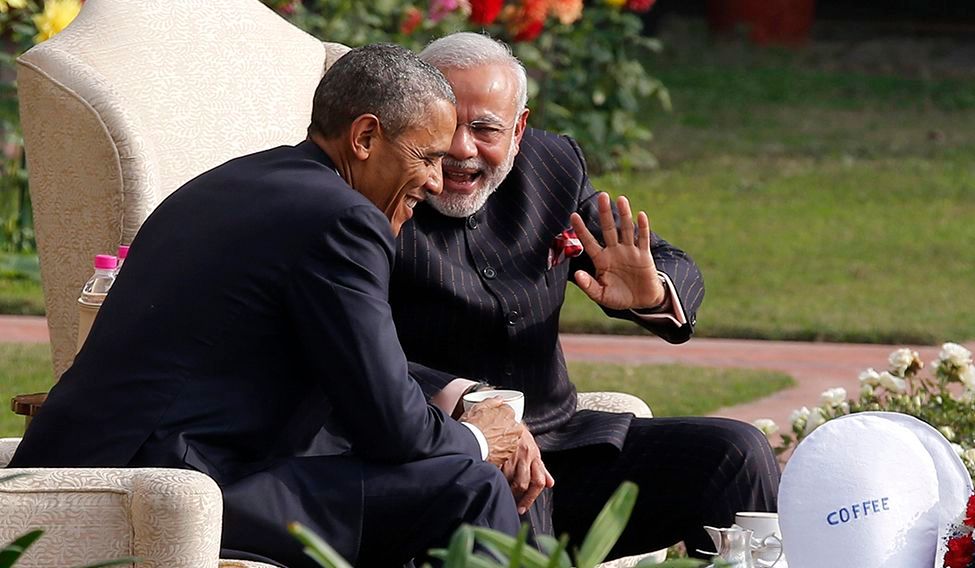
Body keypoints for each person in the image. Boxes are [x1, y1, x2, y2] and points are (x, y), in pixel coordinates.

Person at [8, 44, 523, 568]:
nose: (435, 181)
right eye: (428, 157)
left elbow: (356, 374)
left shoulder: (235, 182)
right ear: (365, 138)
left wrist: (453, 407)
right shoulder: (343, 218)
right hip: (176, 490)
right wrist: (478, 438)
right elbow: (392, 426)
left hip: (100, 465)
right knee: (470, 485)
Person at [390, 32, 780, 558]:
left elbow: (665, 260)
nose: (462, 149)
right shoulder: (378, 189)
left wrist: (652, 291)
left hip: (567, 446)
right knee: (512, 507)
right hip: (455, 455)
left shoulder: (552, 165)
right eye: (446, 126)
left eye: (485, 129)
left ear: (519, 129)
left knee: (737, 453)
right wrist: (474, 407)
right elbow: (351, 345)